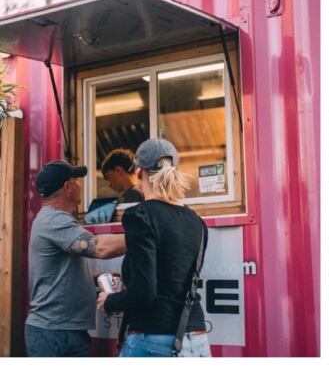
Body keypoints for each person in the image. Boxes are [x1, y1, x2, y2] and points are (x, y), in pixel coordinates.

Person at [98, 138, 210, 357]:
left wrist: (110, 301)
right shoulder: (197, 221)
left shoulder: (139, 215)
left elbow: (145, 292)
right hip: (197, 339)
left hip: (153, 338)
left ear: (139, 172)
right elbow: (172, 275)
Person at [26, 160, 126, 357]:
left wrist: (95, 278)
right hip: (54, 334)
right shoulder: (54, 220)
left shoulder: (55, 219)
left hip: (62, 331)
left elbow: (60, 271)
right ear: (68, 186)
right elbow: (99, 248)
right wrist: (146, 237)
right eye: (77, 181)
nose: (80, 185)